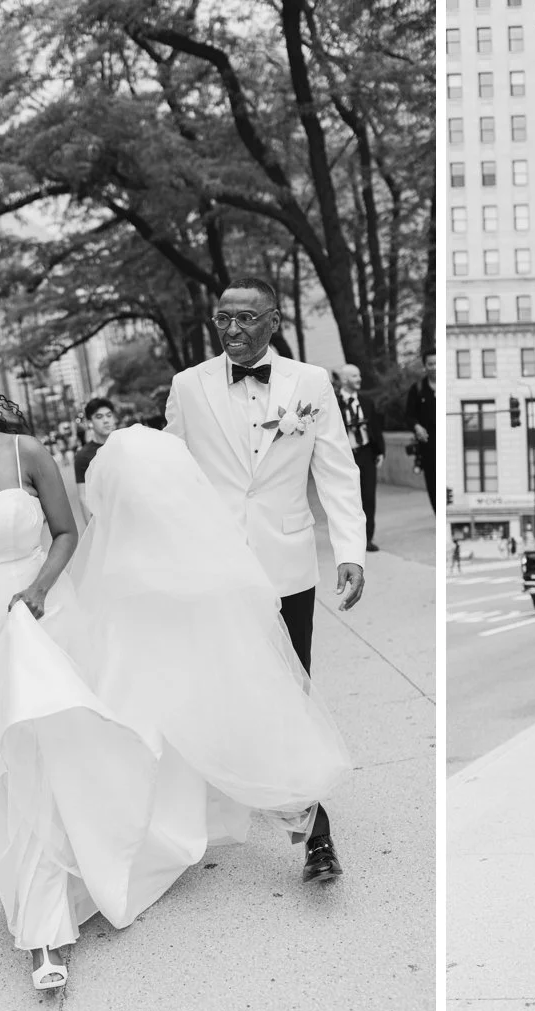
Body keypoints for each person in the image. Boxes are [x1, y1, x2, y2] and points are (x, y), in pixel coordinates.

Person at [0, 350, 349, 992]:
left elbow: (66, 533)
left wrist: (40, 587)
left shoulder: (26, 453)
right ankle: (55, 894)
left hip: (46, 623)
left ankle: (45, 928)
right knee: (20, 762)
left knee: (50, 758)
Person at [164, 276, 365, 887]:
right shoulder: (188, 386)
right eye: (223, 318)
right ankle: (221, 811)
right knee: (224, 691)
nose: (233, 328)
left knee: (292, 692)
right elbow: (169, 473)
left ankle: (314, 831)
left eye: (246, 317)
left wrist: (350, 550)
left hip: (287, 564)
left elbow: (337, 469)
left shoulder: (311, 382)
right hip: (216, 567)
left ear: (274, 320)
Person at [336, 364, 385, 552]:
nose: (359, 379)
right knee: (348, 499)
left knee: (368, 498)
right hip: (346, 456)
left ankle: (367, 538)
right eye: (355, 376)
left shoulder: (366, 402)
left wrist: (380, 451)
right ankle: (350, 539)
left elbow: (376, 428)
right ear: (345, 379)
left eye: (359, 375)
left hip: (366, 454)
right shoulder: (334, 403)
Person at [73, 397, 118, 519]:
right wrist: (91, 527)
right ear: (89, 422)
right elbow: (83, 496)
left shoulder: (125, 444)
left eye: (109, 415)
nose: (106, 420)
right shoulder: (82, 456)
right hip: (105, 518)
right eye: (99, 417)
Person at [404, 347, 437, 511]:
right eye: (431, 364)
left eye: (437, 363)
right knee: (433, 484)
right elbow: (409, 415)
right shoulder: (417, 389)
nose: (434, 367)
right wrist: (417, 427)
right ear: (425, 366)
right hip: (428, 445)